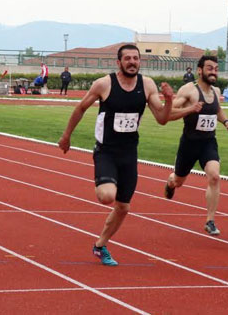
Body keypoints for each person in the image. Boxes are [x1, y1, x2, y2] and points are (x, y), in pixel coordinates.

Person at [58, 44, 173, 266]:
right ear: (118, 62)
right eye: (127, 58)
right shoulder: (104, 84)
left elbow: (162, 118)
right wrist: (66, 136)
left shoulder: (147, 84)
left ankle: (100, 245)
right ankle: (104, 181)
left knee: (123, 207)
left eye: (136, 58)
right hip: (106, 152)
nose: (132, 62)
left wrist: (168, 100)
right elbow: (81, 108)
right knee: (106, 196)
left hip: (129, 153)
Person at [164, 55, 228, 235]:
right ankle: (170, 183)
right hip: (189, 144)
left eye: (216, 69)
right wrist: (190, 109)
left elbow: (217, 109)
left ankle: (210, 220)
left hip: (208, 142)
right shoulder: (189, 90)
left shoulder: (216, 91)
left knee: (215, 176)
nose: (214, 72)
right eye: (210, 68)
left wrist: (226, 121)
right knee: (179, 180)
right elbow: (170, 111)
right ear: (200, 70)